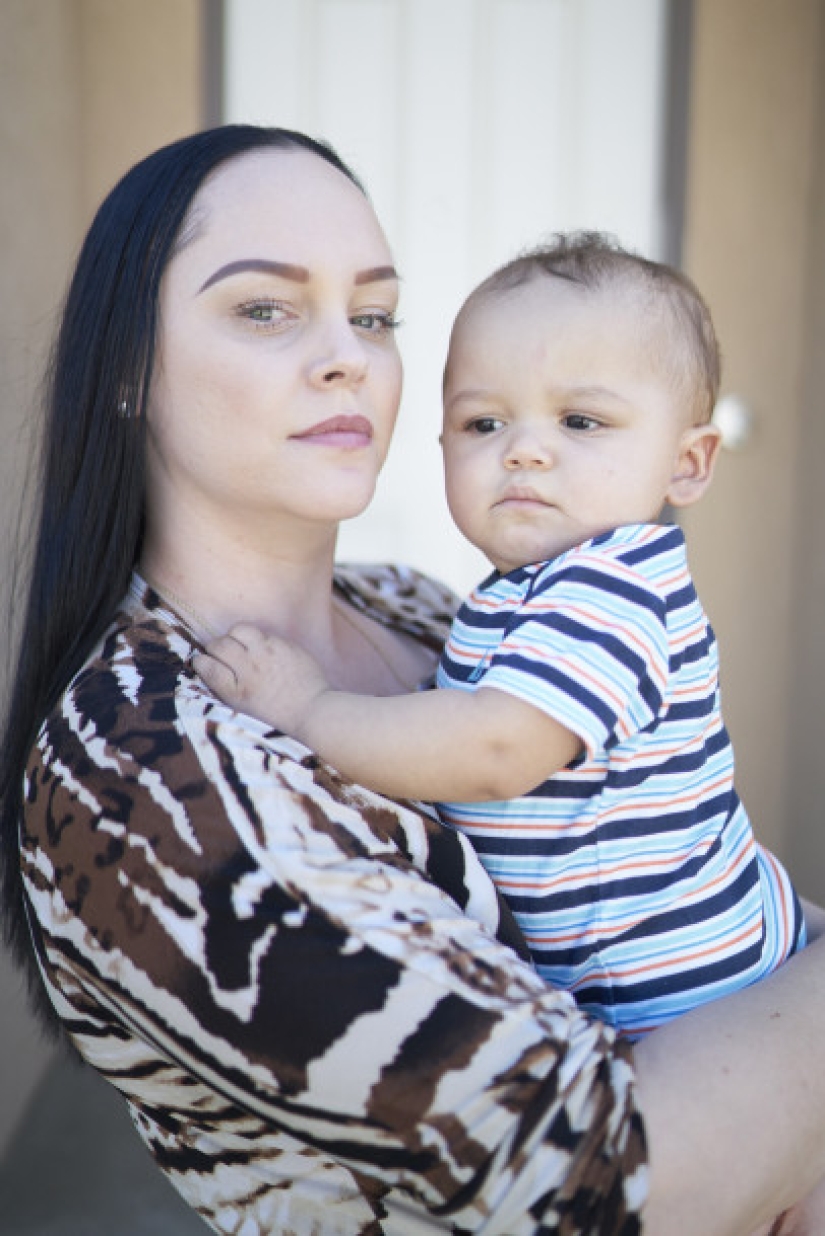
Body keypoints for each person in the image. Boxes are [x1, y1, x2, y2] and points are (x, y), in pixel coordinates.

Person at [2, 123, 825, 1236]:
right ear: (127, 372)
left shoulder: (427, 604)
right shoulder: (142, 772)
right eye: (266, 308)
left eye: (376, 315)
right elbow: (598, 1183)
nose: (347, 354)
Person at [196, 236, 805, 1040]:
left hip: (684, 994)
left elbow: (492, 750)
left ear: (685, 464)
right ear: (441, 444)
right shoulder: (526, 594)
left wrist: (307, 707)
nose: (522, 449)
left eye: (581, 420)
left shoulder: (614, 586)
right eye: (482, 422)